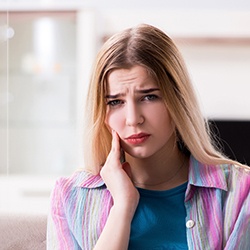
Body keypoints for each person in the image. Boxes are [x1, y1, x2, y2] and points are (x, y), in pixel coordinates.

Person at [47, 24, 250, 250]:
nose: (133, 119)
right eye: (115, 102)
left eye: (149, 97)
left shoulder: (239, 192)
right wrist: (123, 207)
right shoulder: (70, 198)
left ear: (178, 100)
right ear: (100, 113)